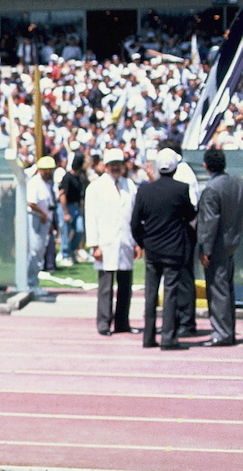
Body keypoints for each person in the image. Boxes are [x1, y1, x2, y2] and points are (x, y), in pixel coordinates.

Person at [131, 148, 196, 350]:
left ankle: (148, 337)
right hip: (174, 249)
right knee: (170, 293)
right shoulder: (181, 189)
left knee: (150, 294)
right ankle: (168, 337)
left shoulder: (144, 190)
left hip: (152, 249)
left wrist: (143, 242)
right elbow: (190, 215)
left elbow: (134, 223)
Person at [84, 148, 141, 336]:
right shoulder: (95, 187)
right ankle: (104, 323)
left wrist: (136, 242)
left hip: (125, 240)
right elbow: (90, 217)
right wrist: (94, 245)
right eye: (112, 164)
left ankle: (122, 322)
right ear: (106, 166)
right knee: (106, 286)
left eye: (119, 164)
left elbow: (134, 216)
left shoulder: (130, 186)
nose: (116, 167)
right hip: (105, 242)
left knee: (126, 286)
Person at [196, 148, 242, 347]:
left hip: (217, 245)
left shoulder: (212, 189)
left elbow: (209, 223)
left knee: (217, 290)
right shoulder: (237, 182)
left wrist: (205, 250)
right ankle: (228, 330)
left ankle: (221, 333)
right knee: (227, 290)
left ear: (206, 166)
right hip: (233, 241)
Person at [25, 155, 57, 297]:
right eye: (46, 170)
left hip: (44, 221)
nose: (48, 172)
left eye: (50, 170)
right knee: (35, 251)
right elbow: (31, 202)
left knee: (40, 252)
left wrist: (49, 221)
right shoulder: (35, 182)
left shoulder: (46, 183)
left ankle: (33, 282)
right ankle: (31, 283)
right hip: (36, 219)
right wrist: (44, 214)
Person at [57, 151, 87, 265]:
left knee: (79, 230)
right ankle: (65, 254)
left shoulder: (80, 177)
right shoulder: (67, 177)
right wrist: (65, 212)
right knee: (66, 231)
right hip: (67, 206)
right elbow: (63, 194)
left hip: (76, 206)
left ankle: (71, 251)